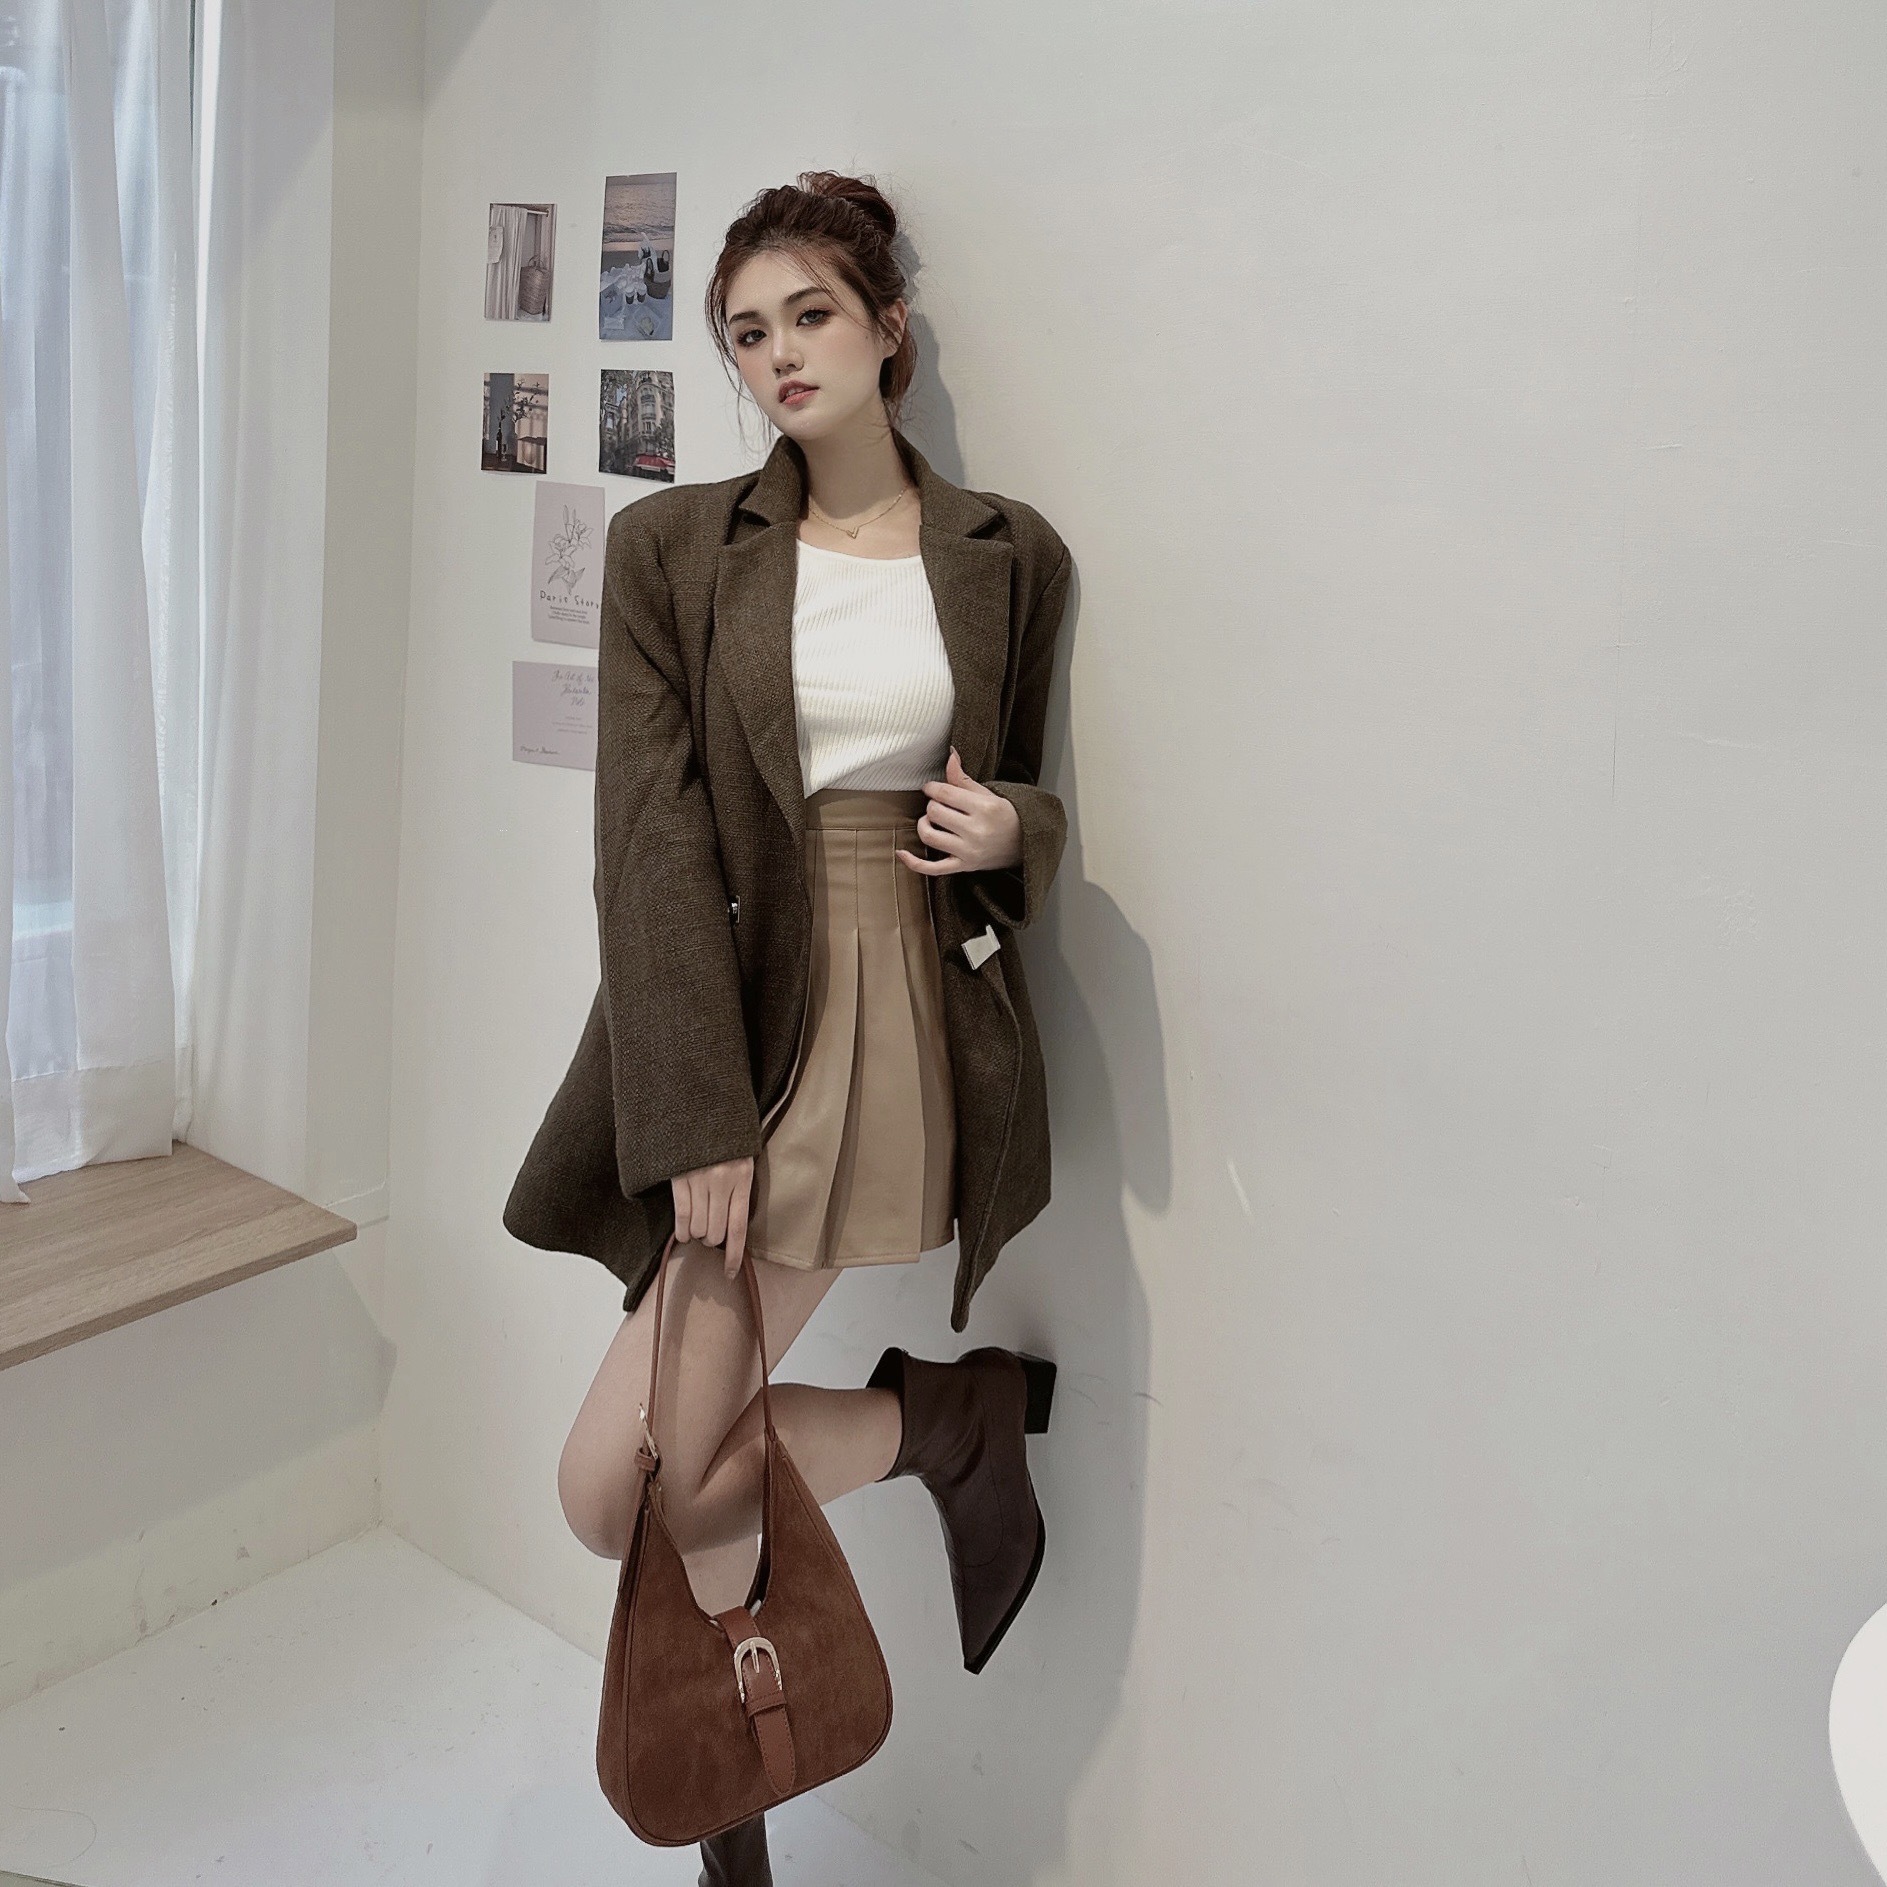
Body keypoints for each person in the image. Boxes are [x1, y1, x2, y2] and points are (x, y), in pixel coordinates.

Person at [512, 171, 1074, 1887]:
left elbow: (1022, 788)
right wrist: (695, 1114)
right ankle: (941, 1425)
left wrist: (1019, 831)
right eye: (748, 333)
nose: (779, 355)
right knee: (622, 1482)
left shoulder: (1008, 554)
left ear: (888, 326)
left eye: (811, 314)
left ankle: (731, 1816)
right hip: (740, 1025)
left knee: (664, 1473)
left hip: (899, 1013)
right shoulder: (674, 551)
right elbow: (645, 839)